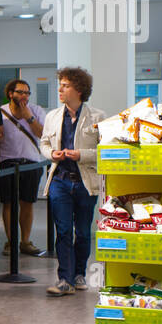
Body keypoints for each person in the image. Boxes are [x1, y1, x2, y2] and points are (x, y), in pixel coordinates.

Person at [41, 67, 104, 297]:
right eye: (61, 84)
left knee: (84, 232)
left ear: (79, 89)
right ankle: (64, 279)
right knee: (64, 230)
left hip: (85, 182)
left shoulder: (98, 117)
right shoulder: (52, 116)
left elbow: (103, 151)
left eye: (65, 85)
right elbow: (44, 144)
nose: (60, 89)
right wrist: (51, 155)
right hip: (60, 180)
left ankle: (79, 274)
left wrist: (81, 154)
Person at [0, 78, 46, 256]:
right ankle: (11, 242)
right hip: (7, 162)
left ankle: (25, 241)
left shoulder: (36, 110)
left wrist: (29, 117)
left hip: (31, 162)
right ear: (11, 94)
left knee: (28, 203)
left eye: (27, 92)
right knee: (9, 203)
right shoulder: (1, 111)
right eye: (20, 92)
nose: (24, 95)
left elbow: (42, 134)